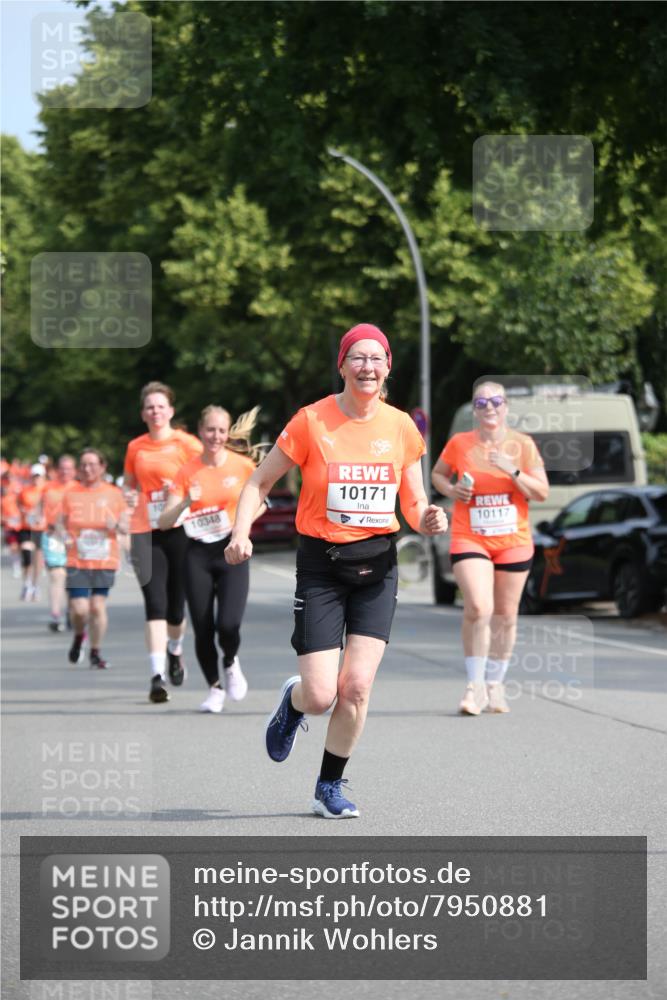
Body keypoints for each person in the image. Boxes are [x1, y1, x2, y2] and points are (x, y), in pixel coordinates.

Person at [226, 323, 448, 819]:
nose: (367, 367)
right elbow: (258, 482)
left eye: (376, 358)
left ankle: (329, 785)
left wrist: (429, 517)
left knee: (357, 688)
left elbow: (412, 502)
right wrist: (241, 533)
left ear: (387, 367)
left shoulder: (400, 427)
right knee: (323, 694)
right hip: (322, 566)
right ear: (342, 365)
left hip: (378, 565)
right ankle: (295, 699)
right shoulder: (311, 421)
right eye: (357, 358)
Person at [431, 381, 549, 715]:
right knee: (479, 608)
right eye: (481, 403)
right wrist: (452, 490)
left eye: (496, 401)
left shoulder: (523, 445)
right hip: (471, 536)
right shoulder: (460, 444)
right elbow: (438, 475)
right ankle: (474, 686)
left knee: (505, 615)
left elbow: (541, 492)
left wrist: (510, 470)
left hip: (513, 541)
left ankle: (495, 685)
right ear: (474, 409)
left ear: (506, 406)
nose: (489, 408)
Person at [159, 405, 265, 712]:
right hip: (197, 554)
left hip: (232, 549)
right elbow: (165, 521)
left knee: (228, 624)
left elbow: (263, 502)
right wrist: (185, 504)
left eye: (221, 430)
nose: (215, 436)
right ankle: (214, 689)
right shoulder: (187, 471)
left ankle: (230, 661)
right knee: (203, 626)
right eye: (210, 430)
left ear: (227, 433)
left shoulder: (243, 466)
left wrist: (241, 528)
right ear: (200, 431)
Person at [123, 381, 203, 703]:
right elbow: (129, 486)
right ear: (143, 414)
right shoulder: (135, 447)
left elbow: (206, 474)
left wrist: (185, 491)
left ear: (170, 410)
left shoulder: (187, 443)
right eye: (149, 407)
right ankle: (156, 677)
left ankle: (175, 650)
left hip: (181, 528)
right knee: (154, 604)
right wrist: (127, 499)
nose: (155, 411)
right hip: (145, 530)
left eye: (160, 406)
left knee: (175, 608)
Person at [60, 449, 128, 669]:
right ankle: (80, 636)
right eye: (83, 465)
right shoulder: (70, 493)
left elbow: (126, 526)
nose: (87, 469)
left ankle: (95, 652)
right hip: (77, 559)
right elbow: (59, 523)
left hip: (104, 559)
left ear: (102, 467)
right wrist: (63, 536)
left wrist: (116, 526)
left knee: (97, 607)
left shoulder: (114, 494)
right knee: (79, 609)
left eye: (91, 464)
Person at [42, 454, 77, 632]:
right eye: (62, 468)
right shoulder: (48, 488)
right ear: (57, 470)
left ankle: (72, 612)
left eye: (69, 468)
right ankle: (55, 615)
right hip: (53, 536)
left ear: (74, 471)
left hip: (74, 537)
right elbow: (36, 509)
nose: (65, 472)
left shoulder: (79, 488)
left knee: (72, 576)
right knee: (57, 575)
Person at [18, 463, 47, 601]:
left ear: (43, 477)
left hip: (40, 528)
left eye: (39, 476)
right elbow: (19, 505)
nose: (36, 478)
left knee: (38, 559)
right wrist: (24, 511)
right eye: (34, 476)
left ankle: (35, 585)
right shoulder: (25, 491)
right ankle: (26, 583)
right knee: (27, 556)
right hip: (26, 527)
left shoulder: (46, 490)